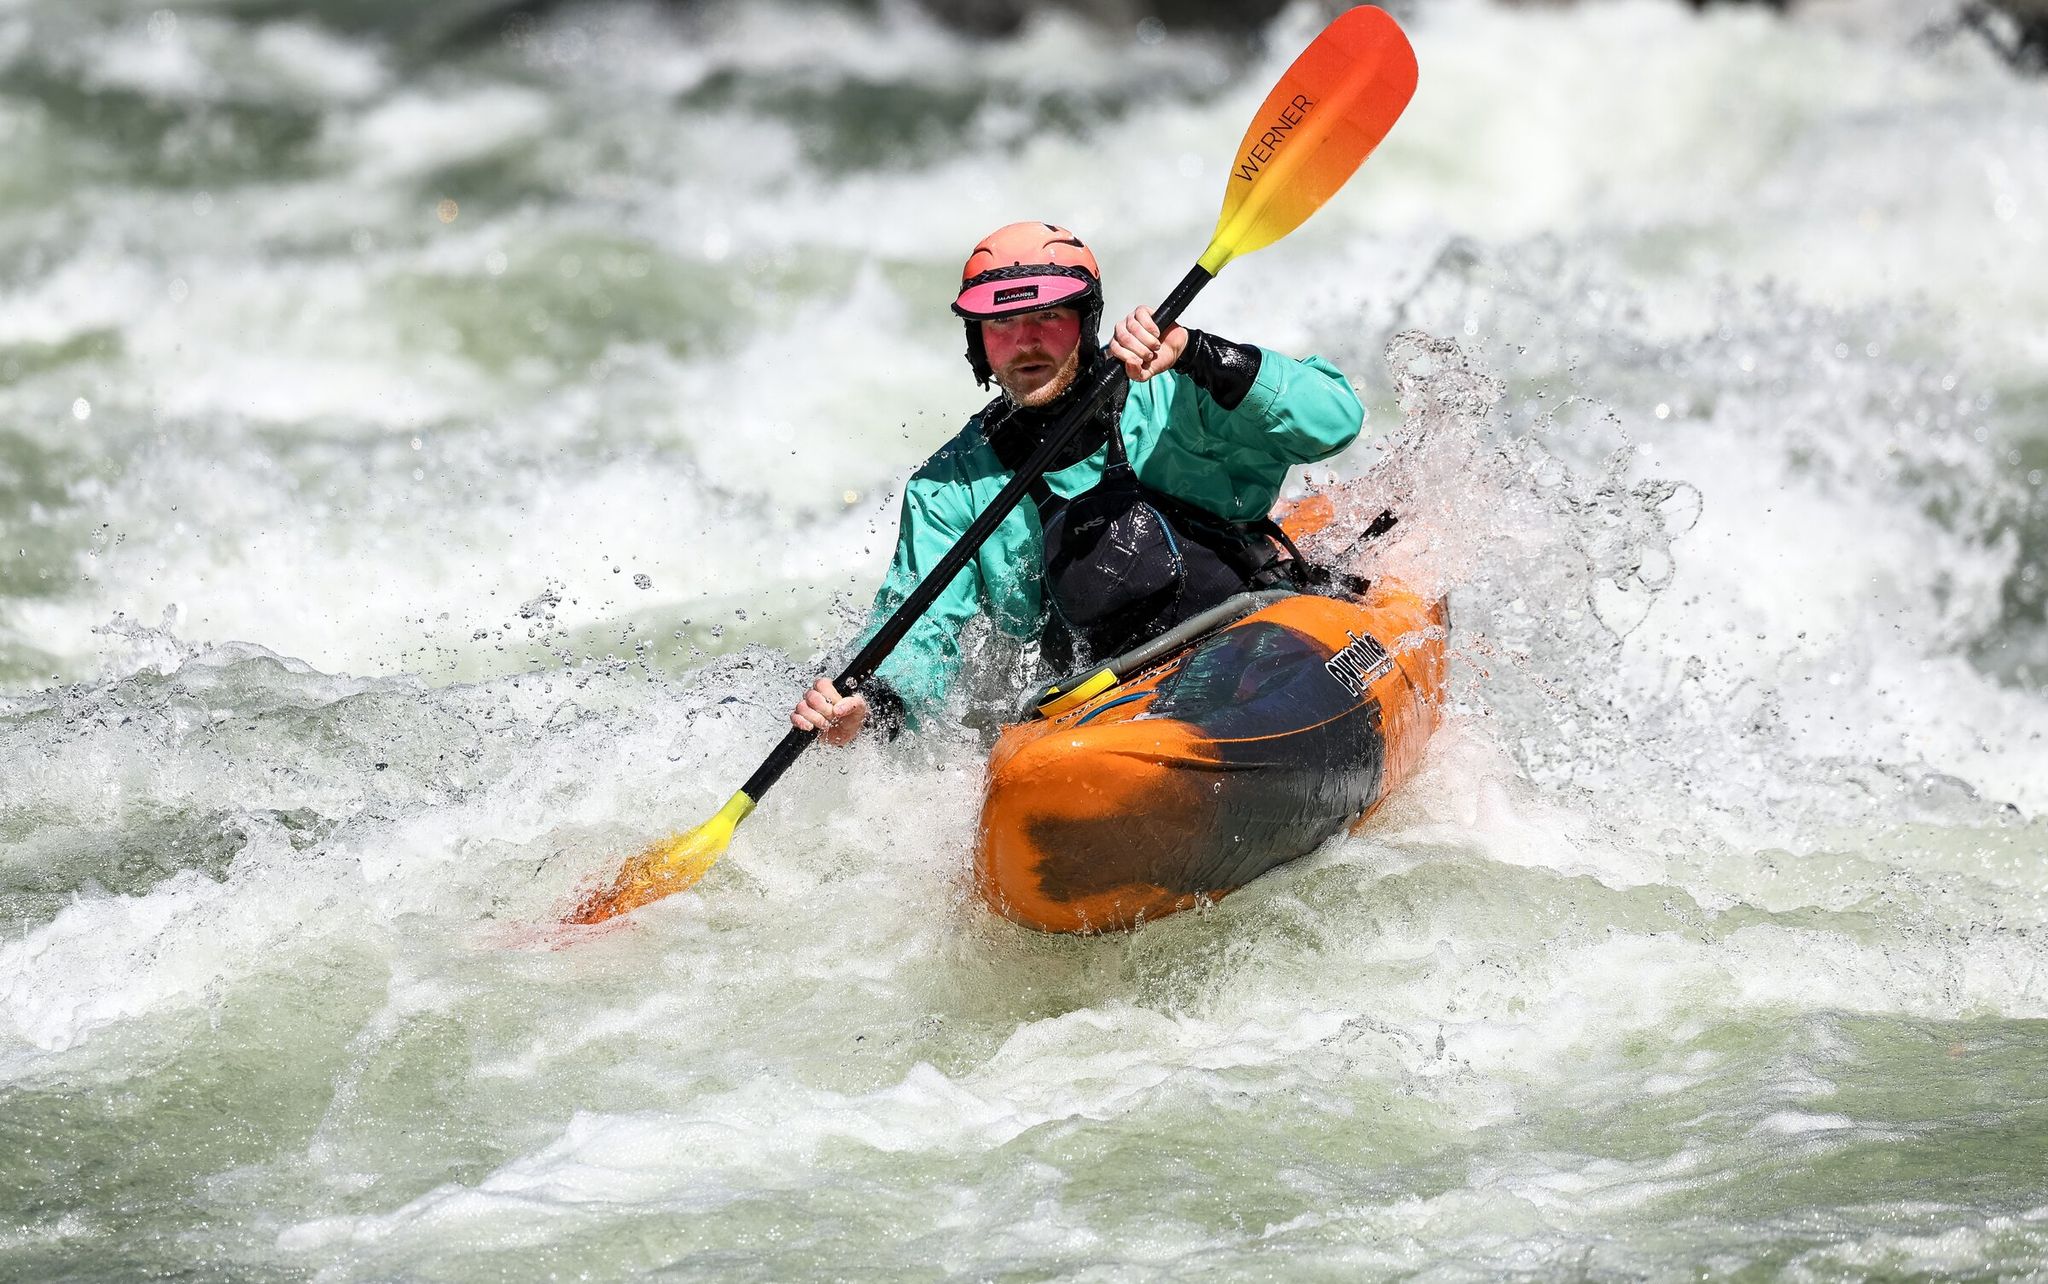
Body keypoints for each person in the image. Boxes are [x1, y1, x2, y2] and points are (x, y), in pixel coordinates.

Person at [791, 221, 1365, 745]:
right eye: (1002, 323)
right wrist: (874, 706)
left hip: (1259, 629)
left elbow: (1336, 421)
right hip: (1109, 700)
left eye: (1047, 316)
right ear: (978, 342)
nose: (1026, 342)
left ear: (1085, 321)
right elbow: (919, 636)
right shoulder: (951, 489)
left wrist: (1200, 353)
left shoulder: (1176, 391)